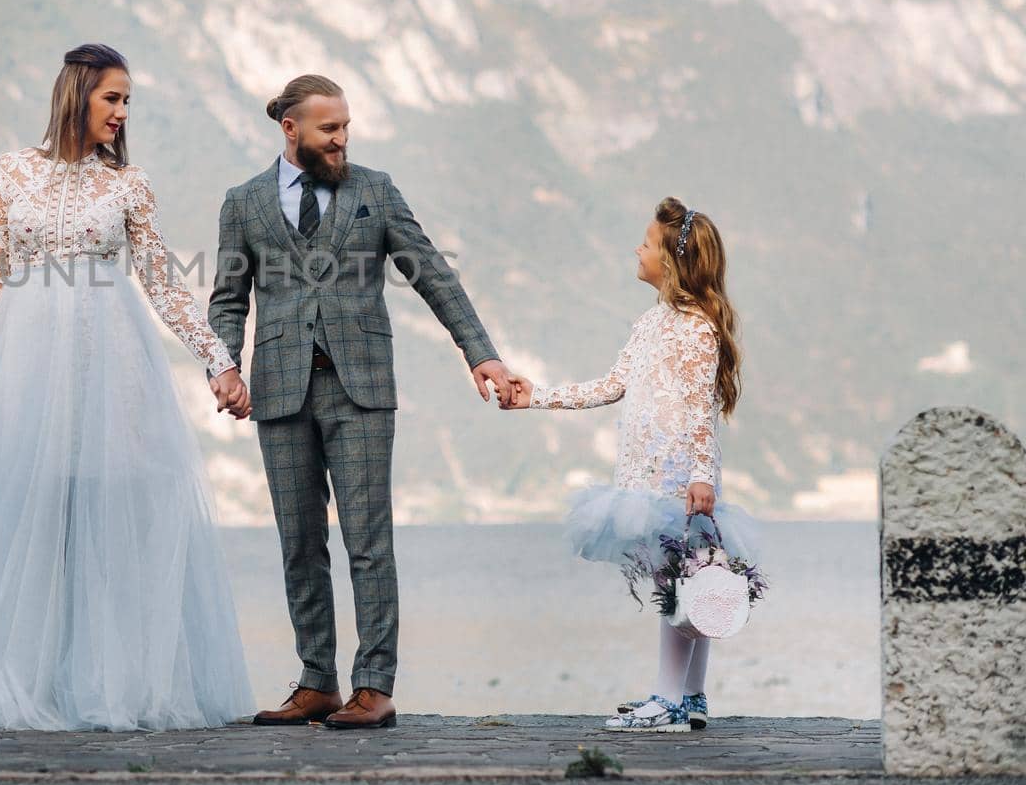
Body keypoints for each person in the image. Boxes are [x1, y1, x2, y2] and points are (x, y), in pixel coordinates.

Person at [0, 44, 255, 731]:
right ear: (77, 94)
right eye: (112, 98)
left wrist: (219, 360)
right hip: (28, 364)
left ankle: (103, 682)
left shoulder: (128, 185)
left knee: (107, 514)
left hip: (110, 360)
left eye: (127, 102)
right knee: (22, 509)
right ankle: (17, 676)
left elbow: (162, 283)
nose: (121, 112)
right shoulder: (10, 173)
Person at [208, 73, 516, 730]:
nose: (342, 138)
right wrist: (224, 364)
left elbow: (431, 271)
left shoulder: (375, 190)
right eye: (329, 128)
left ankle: (373, 684)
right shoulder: (244, 203)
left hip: (363, 387)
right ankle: (316, 680)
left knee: (368, 541)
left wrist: (479, 351)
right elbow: (230, 298)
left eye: (346, 126)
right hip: (281, 390)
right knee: (299, 542)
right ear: (290, 129)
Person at [505, 197, 759, 733]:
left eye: (645, 243)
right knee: (691, 577)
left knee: (681, 578)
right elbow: (612, 385)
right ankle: (690, 697)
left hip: (677, 476)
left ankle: (669, 700)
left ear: (670, 260)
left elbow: (699, 409)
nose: (636, 250)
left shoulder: (696, 327)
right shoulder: (650, 322)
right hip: (645, 475)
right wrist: (537, 397)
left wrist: (700, 475)